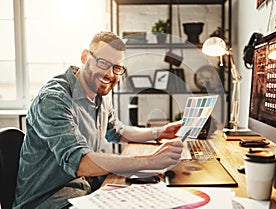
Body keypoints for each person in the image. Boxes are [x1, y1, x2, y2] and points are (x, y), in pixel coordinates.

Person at [13, 31, 183, 209]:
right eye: (103, 63)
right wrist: (150, 161)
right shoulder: (53, 99)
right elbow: (80, 162)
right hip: (47, 200)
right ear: (85, 57)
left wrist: (159, 132)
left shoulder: (99, 94)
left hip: (85, 190)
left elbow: (117, 131)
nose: (110, 74)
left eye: (117, 68)